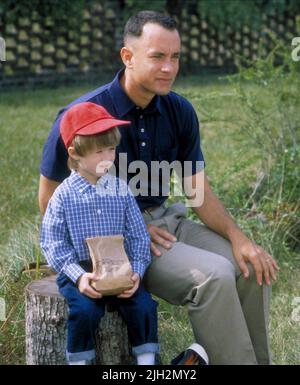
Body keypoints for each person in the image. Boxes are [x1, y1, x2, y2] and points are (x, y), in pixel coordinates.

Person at [39, 11, 279, 364]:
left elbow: (198, 193)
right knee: (214, 277)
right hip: (119, 242)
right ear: (127, 56)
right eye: (157, 56)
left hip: (169, 223)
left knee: (250, 269)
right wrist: (123, 231)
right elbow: (49, 200)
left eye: (175, 57)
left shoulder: (179, 110)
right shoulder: (83, 116)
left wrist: (239, 238)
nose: (169, 67)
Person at [40, 102, 160, 365]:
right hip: (82, 269)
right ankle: (79, 361)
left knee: (143, 306)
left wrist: (137, 270)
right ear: (75, 154)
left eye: (112, 149)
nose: (107, 157)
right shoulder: (63, 195)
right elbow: (52, 242)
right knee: (84, 311)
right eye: (98, 151)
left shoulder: (120, 189)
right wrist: (79, 276)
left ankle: (147, 361)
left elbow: (139, 235)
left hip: (119, 266)